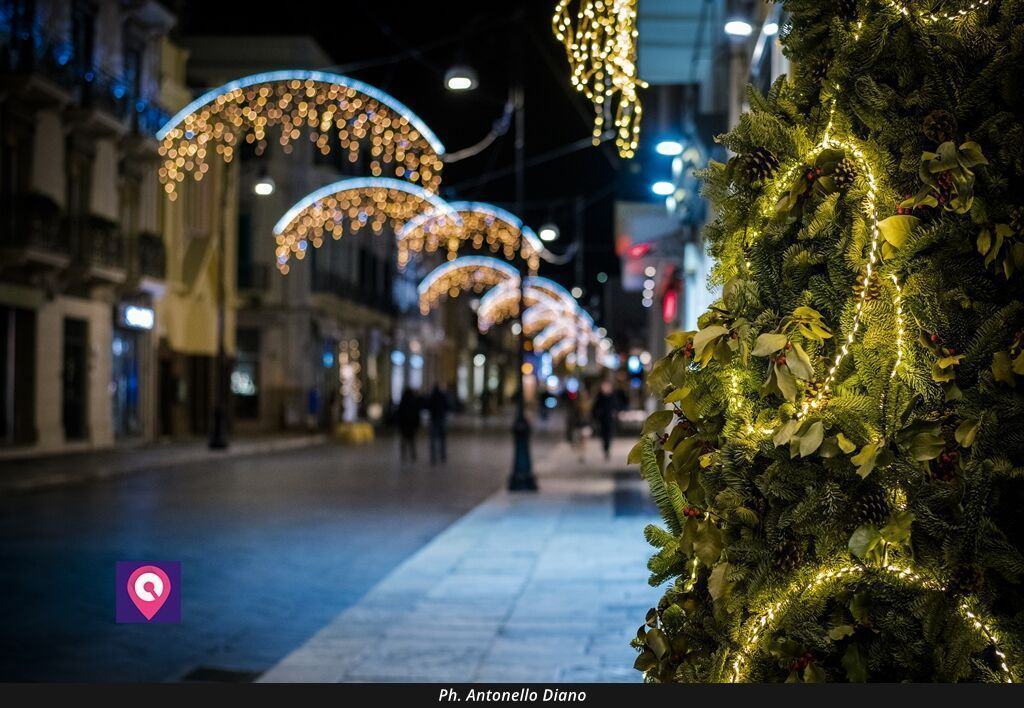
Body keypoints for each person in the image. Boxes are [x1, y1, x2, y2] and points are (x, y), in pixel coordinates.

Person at [591, 379, 619, 461]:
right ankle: (605, 448)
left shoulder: (613, 395)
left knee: (609, 434)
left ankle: (607, 449)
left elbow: (616, 405)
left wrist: (615, 413)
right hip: (602, 418)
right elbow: (595, 407)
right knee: (603, 435)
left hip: (610, 418)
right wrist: (597, 415)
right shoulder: (600, 396)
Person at [396, 387, 422, 463]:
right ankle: (413, 454)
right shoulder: (413, 402)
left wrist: (400, 425)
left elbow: (399, 414)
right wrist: (416, 425)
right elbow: (416, 414)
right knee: (411, 441)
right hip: (411, 426)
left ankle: (403, 455)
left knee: (404, 441)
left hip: (404, 426)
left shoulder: (402, 402)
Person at [427, 383, 450, 465]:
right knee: (442, 439)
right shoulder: (442, 396)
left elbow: (428, 406)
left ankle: (433, 457)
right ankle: (443, 455)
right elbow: (447, 406)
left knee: (433, 439)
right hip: (441, 419)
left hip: (434, 420)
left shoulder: (432, 396)